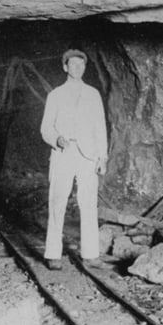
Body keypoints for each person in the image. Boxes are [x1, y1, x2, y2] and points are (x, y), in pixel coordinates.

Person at [40, 49, 108, 270]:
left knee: (88, 203)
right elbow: (45, 128)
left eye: (82, 65)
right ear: (65, 67)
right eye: (73, 64)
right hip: (64, 153)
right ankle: (53, 254)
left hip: (87, 155)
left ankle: (90, 255)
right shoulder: (55, 95)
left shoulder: (93, 94)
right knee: (57, 201)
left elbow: (100, 127)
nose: (78, 68)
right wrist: (56, 139)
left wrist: (102, 156)